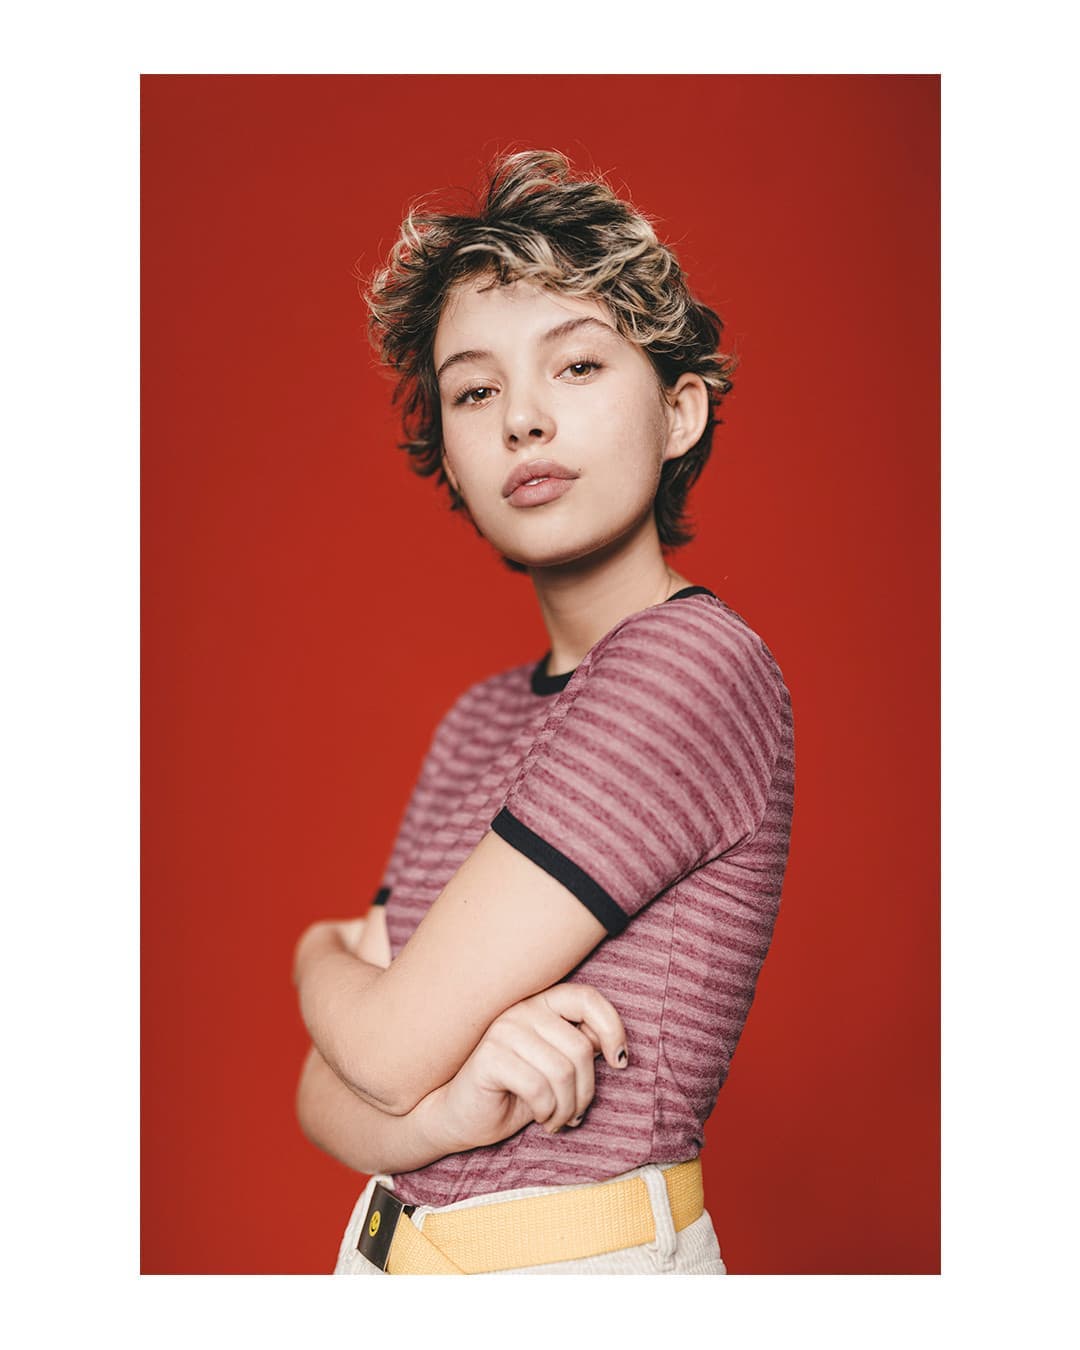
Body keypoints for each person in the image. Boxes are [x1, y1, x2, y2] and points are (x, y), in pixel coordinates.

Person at [292, 149, 795, 1275]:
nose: (523, 418)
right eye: (475, 391)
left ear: (678, 412)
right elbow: (326, 1094)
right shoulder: (476, 719)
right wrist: (442, 1113)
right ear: (450, 453)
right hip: (386, 1261)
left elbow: (379, 1044)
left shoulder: (689, 666)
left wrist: (315, 954)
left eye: (575, 366)